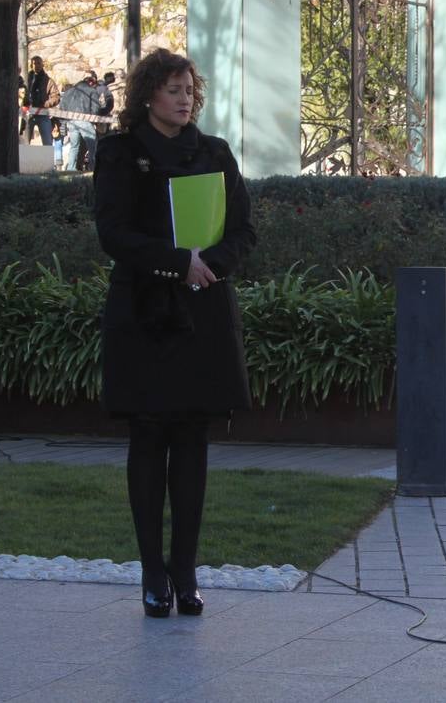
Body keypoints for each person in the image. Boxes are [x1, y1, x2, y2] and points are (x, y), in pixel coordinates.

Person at [93, 48, 257, 619]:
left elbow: (243, 231)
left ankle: (185, 571)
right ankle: (151, 573)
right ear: (147, 96)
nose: (184, 99)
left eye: (189, 89)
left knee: (192, 441)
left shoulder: (214, 153)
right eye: (172, 90)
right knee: (148, 439)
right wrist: (173, 262)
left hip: (202, 310)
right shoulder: (119, 153)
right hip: (144, 312)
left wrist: (210, 264)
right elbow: (112, 234)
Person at [58, 72, 105, 172]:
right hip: (85, 121)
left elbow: (62, 107)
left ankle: (71, 169)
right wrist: (94, 121)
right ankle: (94, 168)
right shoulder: (92, 91)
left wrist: (64, 122)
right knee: (92, 146)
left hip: (71, 121)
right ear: (91, 82)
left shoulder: (69, 91)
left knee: (74, 146)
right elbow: (95, 108)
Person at [24, 56, 59, 154]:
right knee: (24, 141)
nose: (37, 65)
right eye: (34, 63)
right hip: (27, 113)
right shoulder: (26, 79)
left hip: (43, 113)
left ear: (42, 64)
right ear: (31, 65)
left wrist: (46, 104)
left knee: (47, 141)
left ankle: (49, 164)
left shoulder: (48, 80)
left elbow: (56, 96)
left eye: (39, 63)